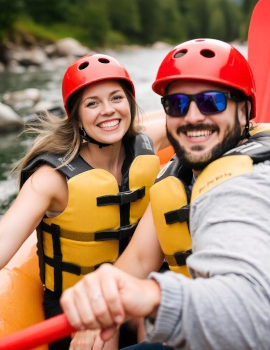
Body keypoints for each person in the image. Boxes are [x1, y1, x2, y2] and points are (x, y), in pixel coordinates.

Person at [60, 38, 270, 350]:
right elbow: (140, 258)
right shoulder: (180, 175)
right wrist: (102, 312)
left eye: (212, 101)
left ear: (245, 111)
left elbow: (255, 315)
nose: (193, 117)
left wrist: (152, 296)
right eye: (178, 104)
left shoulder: (246, 185)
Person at [0, 53, 169, 350]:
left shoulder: (148, 141)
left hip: (135, 290)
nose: (108, 111)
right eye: (93, 103)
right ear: (76, 116)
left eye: (116, 98)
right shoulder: (52, 179)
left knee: (156, 315)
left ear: (130, 103)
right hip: (74, 308)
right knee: (105, 334)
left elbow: (198, 121)